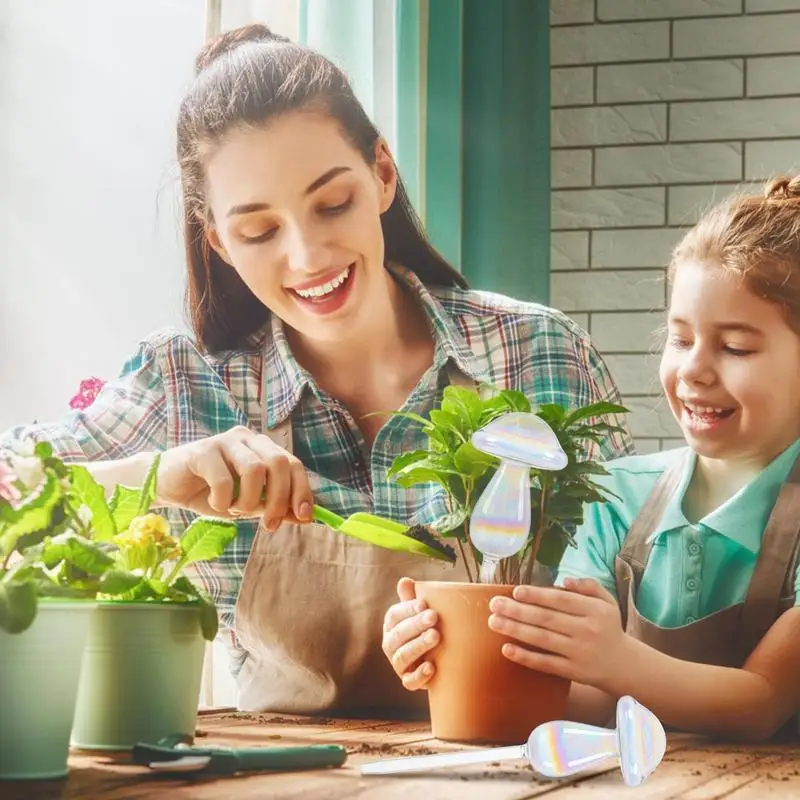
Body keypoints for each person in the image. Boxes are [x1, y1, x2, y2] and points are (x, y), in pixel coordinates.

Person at [0, 24, 632, 717]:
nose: (307, 257)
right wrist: (162, 475)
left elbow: (638, 617)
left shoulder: (536, 355)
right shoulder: (185, 384)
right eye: (259, 231)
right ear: (218, 241)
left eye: (332, 204)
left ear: (382, 174)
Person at [384, 177, 800, 740]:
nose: (694, 371)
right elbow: (584, 699)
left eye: (735, 347)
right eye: (680, 339)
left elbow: (764, 700)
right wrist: (444, 647)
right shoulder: (616, 495)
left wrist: (615, 658)